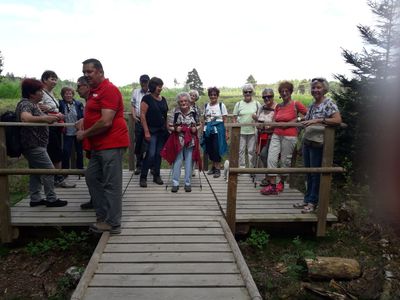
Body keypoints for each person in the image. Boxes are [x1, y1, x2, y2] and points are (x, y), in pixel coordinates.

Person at [76, 58, 129, 234]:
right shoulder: (94, 91)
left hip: (111, 143)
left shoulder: (109, 89)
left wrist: (84, 133)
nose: (86, 75)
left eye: (89, 72)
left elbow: (106, 121)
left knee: (111, 183)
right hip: (99, 145)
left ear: (100, 71)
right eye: (84, 72)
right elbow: (95, 112)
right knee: (92, 176)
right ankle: (103, 215)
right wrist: (84, 120)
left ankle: (113, 223)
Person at [15, 79, 68, 207]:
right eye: (39, 91)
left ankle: (35, 198)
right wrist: (45, 118)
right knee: (49, 170)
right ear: (32, 94)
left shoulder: (33, 104)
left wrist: (53, 116)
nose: (42, 93)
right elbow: (25, 118)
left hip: (37, 144)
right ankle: (51, 198)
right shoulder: (25, 104)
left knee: (35, 172)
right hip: (33, 145)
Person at [294, 77, 342, 213]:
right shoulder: (312, 104)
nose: (315, 90)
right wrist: (299, 120)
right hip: (307, 142)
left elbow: (337, 120)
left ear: (324, 89)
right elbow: (307, 120)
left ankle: (312, 202)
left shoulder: (328, 103)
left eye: (319, 87)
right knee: (308, 173)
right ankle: (307, 199)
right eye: (314, 88)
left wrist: (319, 120)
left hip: (318, 143)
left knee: (315, 174)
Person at [261, 81, 307, 195]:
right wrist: (265, 125)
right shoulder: (278, 106)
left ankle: (281, 182)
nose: (284, 93)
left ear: (291, 92)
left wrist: (297, 120)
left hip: (290, 136)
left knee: (285, 161)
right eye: (282, 91)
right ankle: (272, 185)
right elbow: (274, 121)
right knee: (271, 158)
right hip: (276, 134)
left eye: (286, 91)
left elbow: (308, 114)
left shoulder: (296, 104)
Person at [39, 70, 76, 188]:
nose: (54, 81)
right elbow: (39, 110)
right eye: (52, 79)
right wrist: (56, 115)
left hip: (55, 126)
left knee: (56, 152)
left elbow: (51, 108)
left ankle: (55, 178)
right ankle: (57, 179)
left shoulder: (51, 93)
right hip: (47, 127)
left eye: (55, 79)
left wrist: (56, 113)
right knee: (54, 153)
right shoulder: (41, 93)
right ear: (44, 80)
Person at [161, 92, 201, 192]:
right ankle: (175, 183)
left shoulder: (194, 112)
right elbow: (169, 126)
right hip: (177, 141)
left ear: (189, 101)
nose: (183, 103)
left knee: (189, 162)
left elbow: (200, 124)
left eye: (185, 101)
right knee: (177, 162)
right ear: (178, 102)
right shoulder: (174, 112)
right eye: (181, 101)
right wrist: (175, 129)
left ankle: (188, 183)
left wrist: (195, 129)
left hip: (190, 140)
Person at [139, 77, 169, 187]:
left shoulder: (163, 99)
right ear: (152, 86)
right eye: (158, 86)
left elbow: (165, 116)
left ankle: (157, 176)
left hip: (162, 131)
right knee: (150, 154)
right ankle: (143, 177)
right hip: (151, 131)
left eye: (161, 86)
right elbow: (142, 116)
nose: (160, 88)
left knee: (158, 154)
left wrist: (167, 129)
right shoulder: (146, 98)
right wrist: (146, 131)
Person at [75, 76, 94, 210]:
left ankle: (99, 201)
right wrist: (83, 118)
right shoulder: (88, 101)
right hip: (93, 142)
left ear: (87, 87)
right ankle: (95, 199)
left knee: (94, 175)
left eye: (79, 86)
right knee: (93, 175)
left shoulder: (94, 99)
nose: (77, 90)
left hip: (100, 144)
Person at [232, 84, 261, 171]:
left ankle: (251, 168)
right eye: (246, 92)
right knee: (240, 151)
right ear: (243, 93)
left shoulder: (257, 104)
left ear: (252, 92)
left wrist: (256, 118)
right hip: (241, 131)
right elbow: (234, 117)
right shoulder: (238, 104)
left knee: (251, 151)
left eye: (250, 91)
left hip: (252, 131)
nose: (248, 93)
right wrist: (236, 125)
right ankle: (242, 168)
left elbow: (260, 117)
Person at [252, 88, 277, 186]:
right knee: (263, 155)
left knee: (267, 156)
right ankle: (268, 177)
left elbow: (277, 122)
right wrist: (258, 122)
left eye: (269, 96)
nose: (267, 98)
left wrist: (268, 126)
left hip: (272, 136)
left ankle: (270, 178)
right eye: (264, 97)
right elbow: (258, 121)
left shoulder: (277, 107)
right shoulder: (261, 108)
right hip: (261, 135)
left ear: (273, 96)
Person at [202, 87, 228, 178]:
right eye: (211, 95)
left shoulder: (221, 105)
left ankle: (217, 168)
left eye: (214, 95)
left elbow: (225, 119)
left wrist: (226, 132)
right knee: (210, 149)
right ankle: (213, 167)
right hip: (208, 130)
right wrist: (203, 130)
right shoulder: (206, 106)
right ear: (209, 95)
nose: (213, 96)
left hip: (218, 130)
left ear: (217, 95)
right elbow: (204, 119)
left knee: (217, 148)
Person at [59, 87, 84, 170]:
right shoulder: (60, 104)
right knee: (66, 152)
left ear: (73, 94)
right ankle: (65, 171)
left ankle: (80, 169)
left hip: (77, 131)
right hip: (67, 132)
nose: (68, 95)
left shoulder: (78, 104)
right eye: (66, 93)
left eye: (70, 93)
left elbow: (83, 116)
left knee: (79, 152)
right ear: (63, 95)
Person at [131, 74, 150, 175]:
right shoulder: (136, 92)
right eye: (142, 81)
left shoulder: (152, 92)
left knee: (149, 144)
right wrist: (134, 116)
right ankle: (139, 166)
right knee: (138, 144)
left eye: (146, 81)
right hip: (138, 121)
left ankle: (151, 166)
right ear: (140, 82)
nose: (144, 83)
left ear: (149, 82)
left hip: (149, 122)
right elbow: (133, 105)